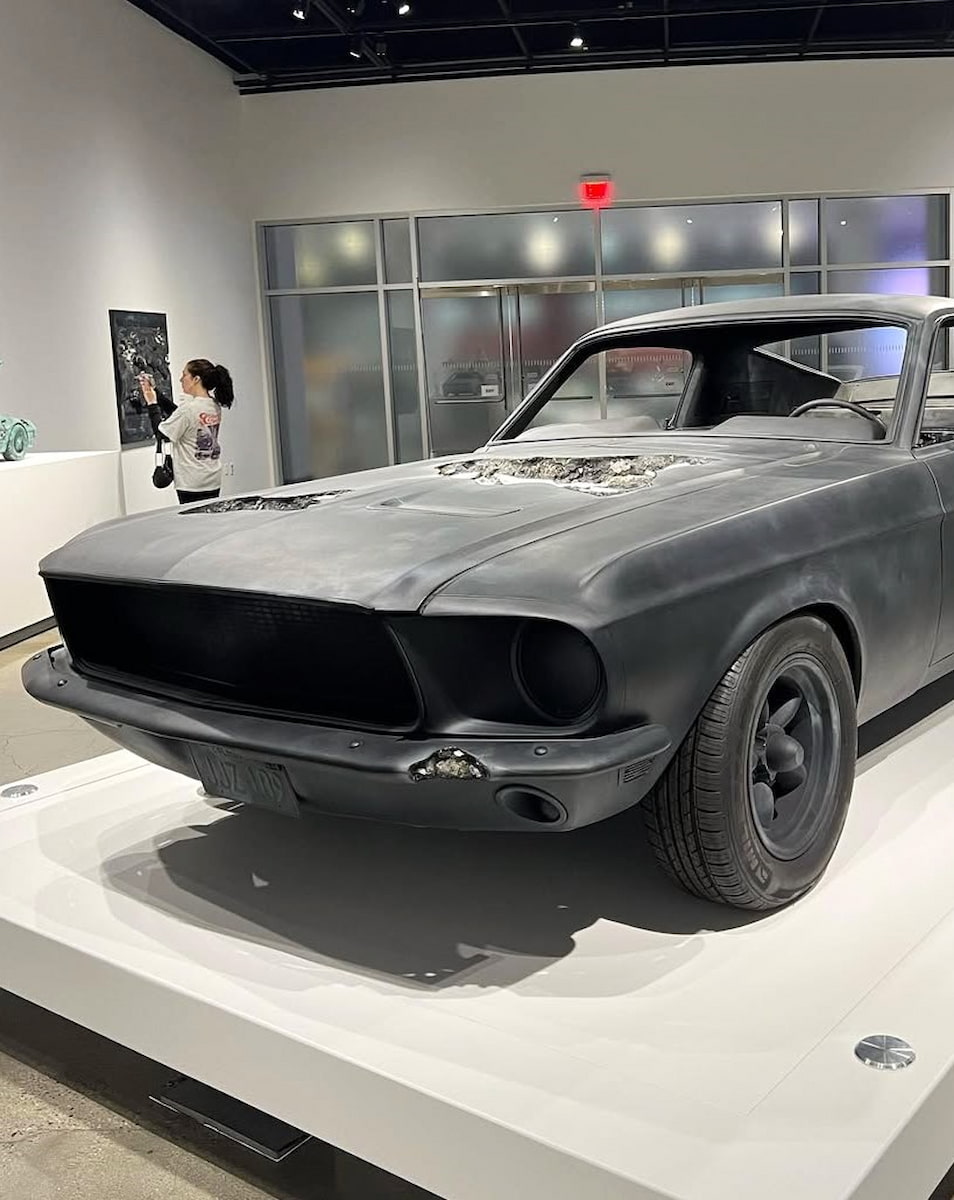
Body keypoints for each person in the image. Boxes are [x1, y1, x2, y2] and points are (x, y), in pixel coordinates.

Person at [139, 359, 234, 504]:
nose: (181, 379)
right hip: (211, 476)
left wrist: (152, 403)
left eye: (184, 375)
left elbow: (162, 434)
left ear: (196, 379)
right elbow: (180, 416)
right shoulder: (213, 405)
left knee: (193, 524)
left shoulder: (189, 409)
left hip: (192, 481)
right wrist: (156, 392)